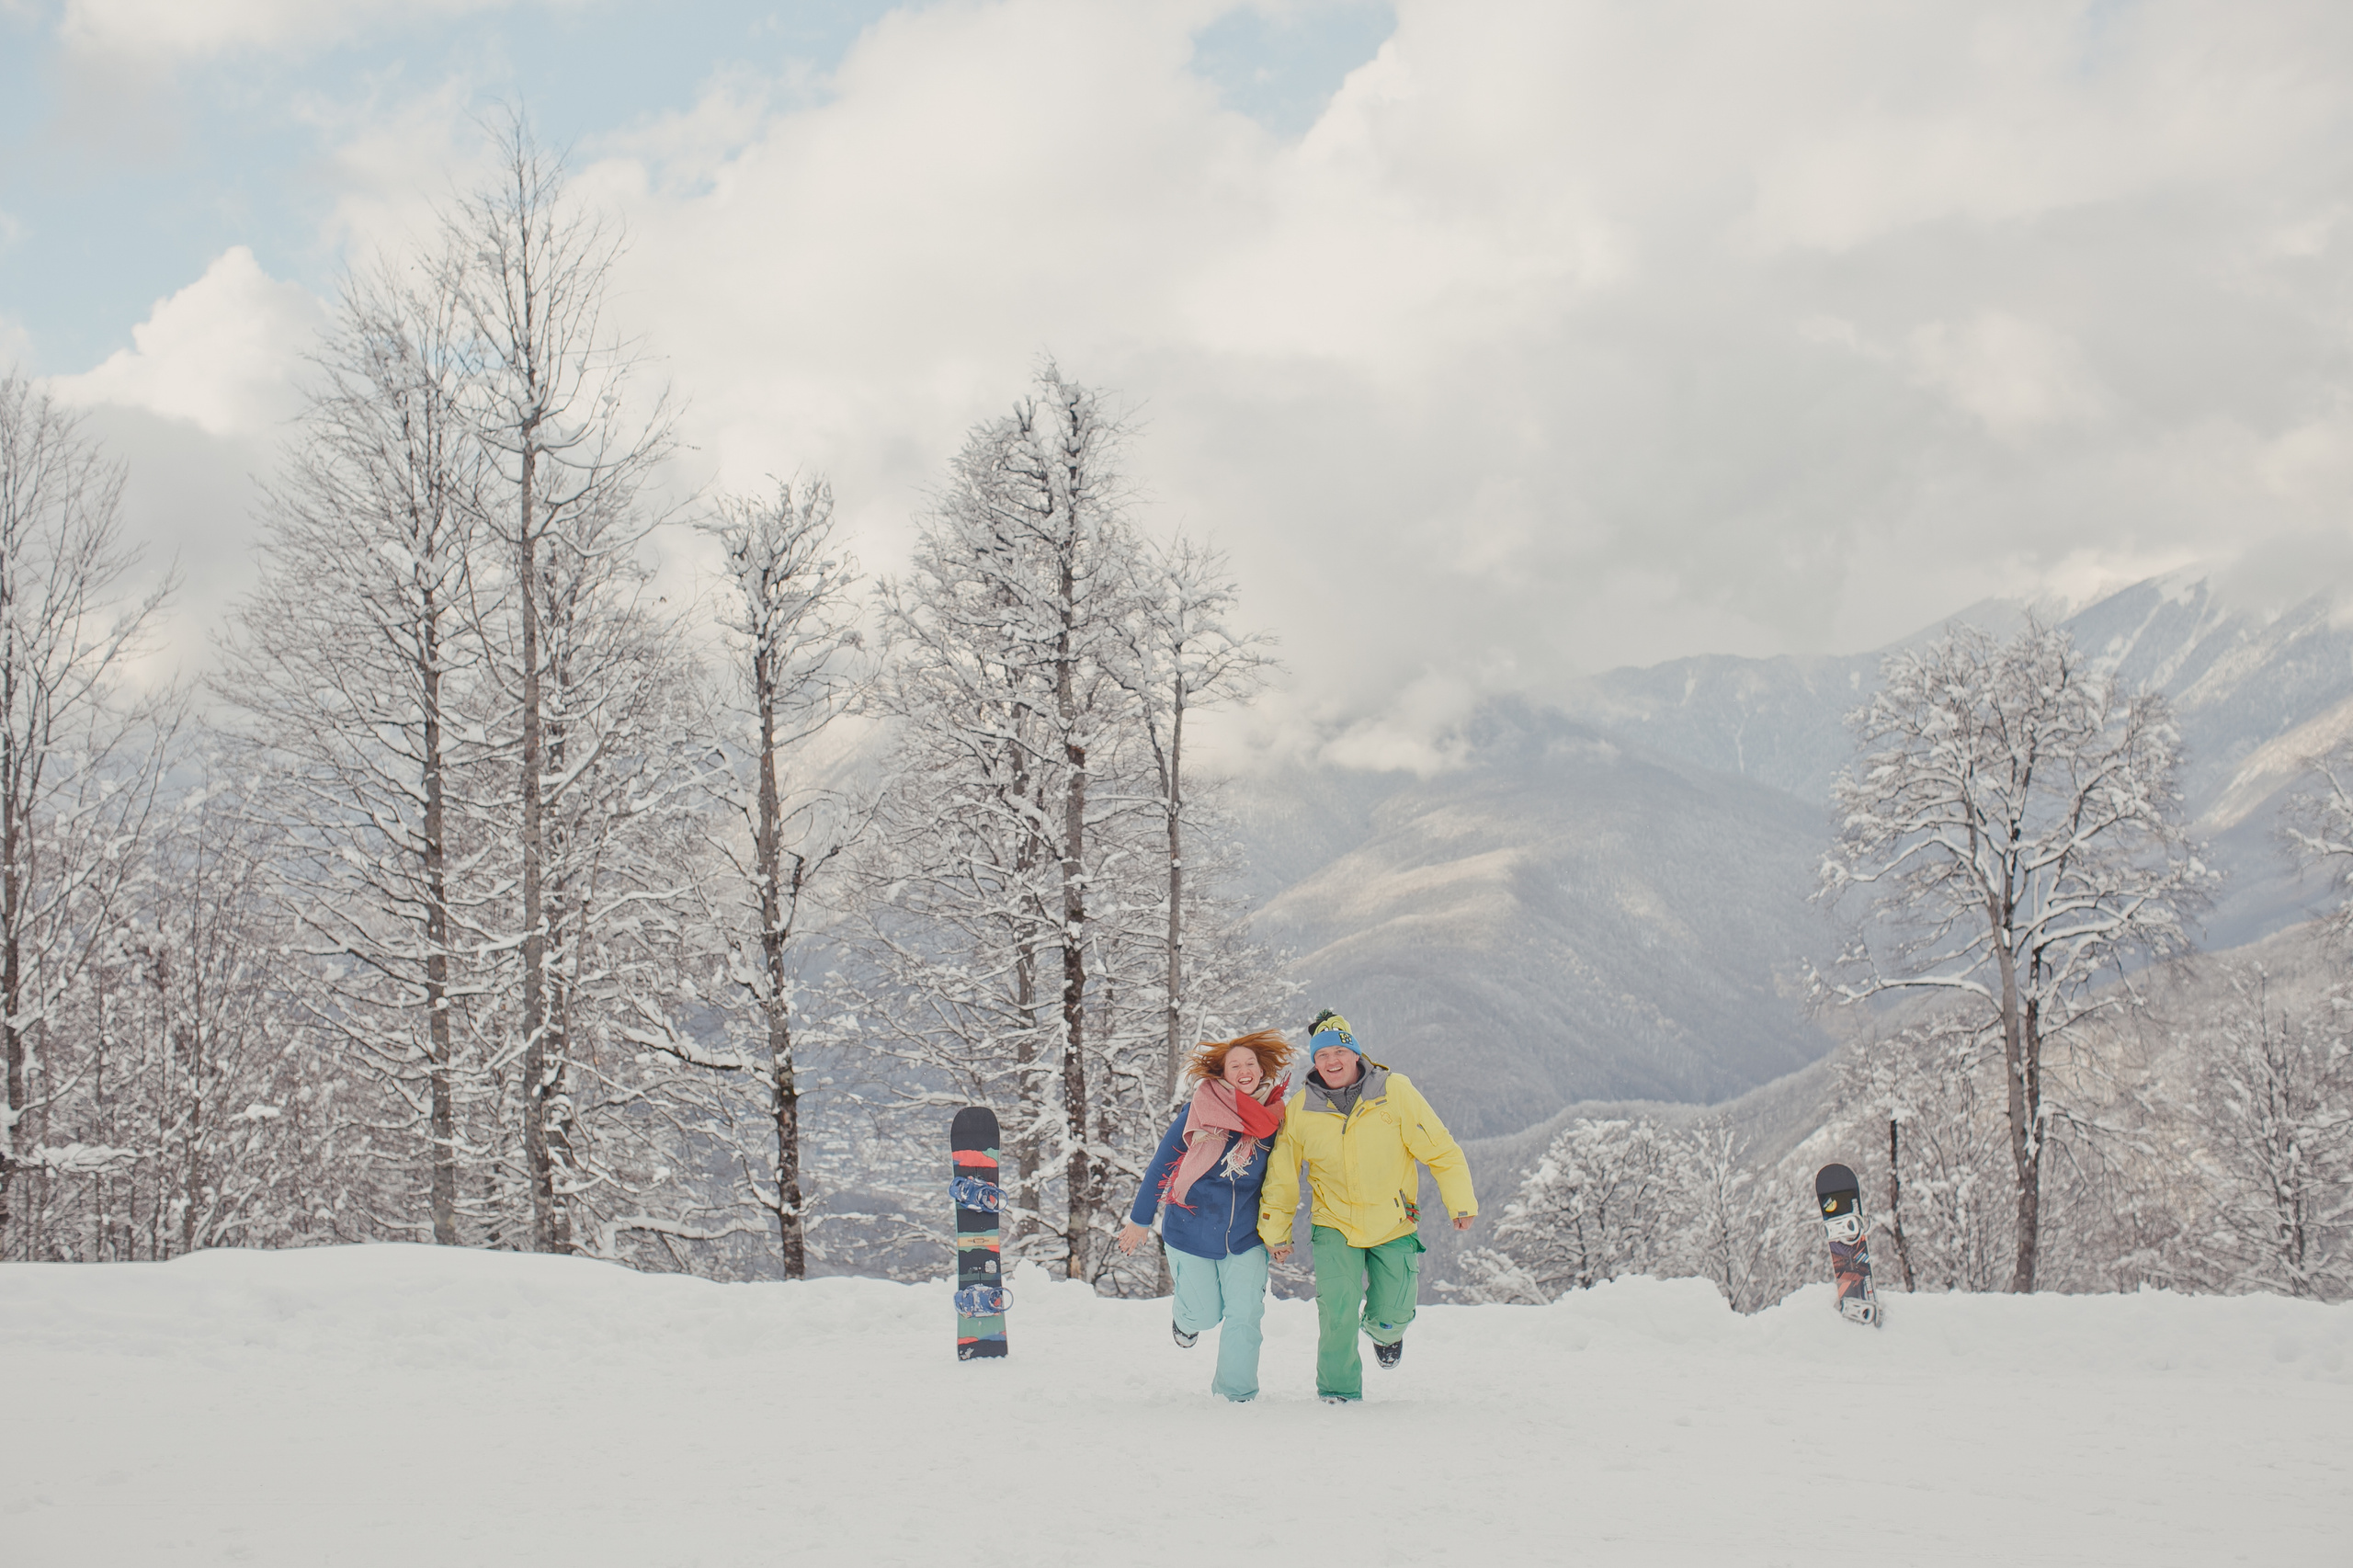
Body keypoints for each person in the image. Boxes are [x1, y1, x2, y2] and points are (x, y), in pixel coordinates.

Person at [1261, 1009, 1475, 1404]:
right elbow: (1281, 1175)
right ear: (1315, 1062)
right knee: (1337, 1311)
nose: (1331, 1062)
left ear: (1356, 1054)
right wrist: (1277, 1231)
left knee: (1394, 1311)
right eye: (1322, 1056)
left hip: (1393, 1221)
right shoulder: (1301, 1109)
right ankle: (1338, 1393)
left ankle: (1384, 1333)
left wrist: (1459, 1201)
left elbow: (1440, 1148)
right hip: (1334, 1223)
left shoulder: (1395, 1092)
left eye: (1339, 1053)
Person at [1118, 1028, 1295, 1403]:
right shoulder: (1200, 1109)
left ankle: (1235, 1396)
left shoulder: (1276, 1119)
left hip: (1246, 1237)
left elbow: (1281, 1181)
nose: (1244, 1070)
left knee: (1245, 1316)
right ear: (1223, 1072)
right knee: (1204, 1316)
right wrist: (1139, 1220)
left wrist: (1278, 1234)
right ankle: (1186, 1321)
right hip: (1191, 1229)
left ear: (1262, 1070)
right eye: (1235, 1065)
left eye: (1251, 1063)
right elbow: (1161, 1165)